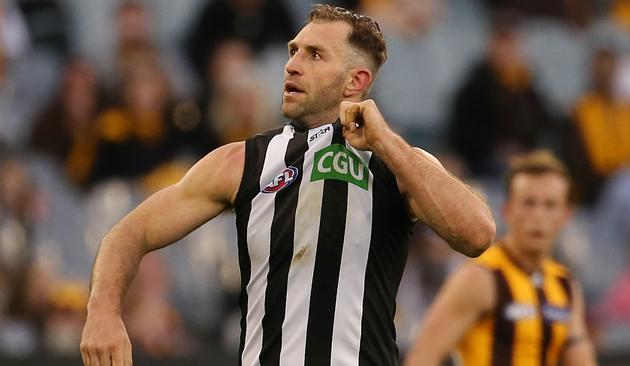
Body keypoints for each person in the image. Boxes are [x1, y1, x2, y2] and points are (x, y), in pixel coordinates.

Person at [79, 5, 495, 366]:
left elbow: (477, 234)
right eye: (293, 50)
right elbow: (128, 233)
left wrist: (386, 142)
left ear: (356, 82)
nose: (292, 64)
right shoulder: (243, 161)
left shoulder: (399, 164)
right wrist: (103, 312)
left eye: (314, 55)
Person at [405, 150, 597, 366]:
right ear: (507, 210)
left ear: (565, 215)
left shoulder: (566, 285)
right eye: (528, 203)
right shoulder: (480, 277)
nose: (538, 216)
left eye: (550, 205)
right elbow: (422, 357)